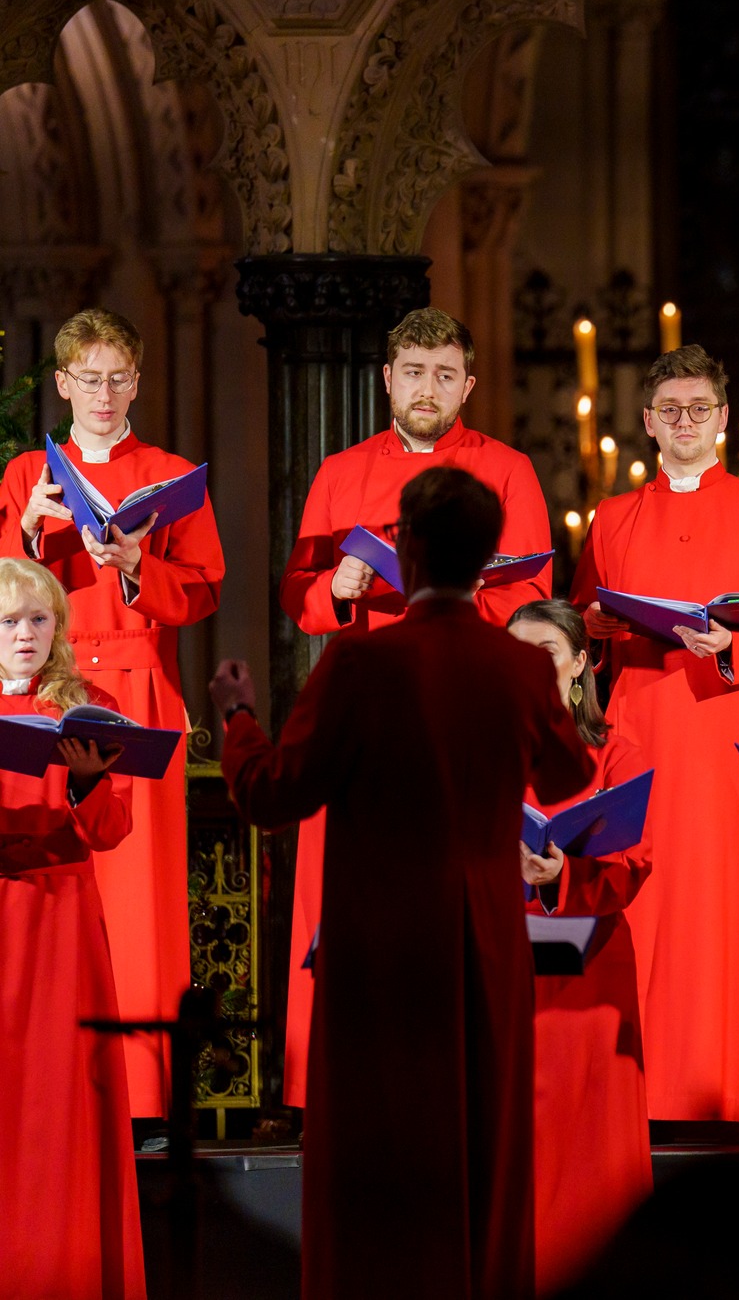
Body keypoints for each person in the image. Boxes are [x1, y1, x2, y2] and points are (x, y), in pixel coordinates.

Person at [216, 467, 592, 1300]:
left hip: (379, 943)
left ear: (406, 548)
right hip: (484, 940)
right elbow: (570, 775)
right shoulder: (520, 667)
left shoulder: (361, 657)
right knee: (478, 1140)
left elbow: (273, 793)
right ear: (489, 555)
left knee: (377, 1145)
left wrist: (238, 718)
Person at [277, 307, 553, 1108]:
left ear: (466, 383)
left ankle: (462, 1067)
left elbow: (531, 592)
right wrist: (336, 586)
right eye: (412, 371)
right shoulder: (340, 471)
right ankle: (334, 1077)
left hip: (462, 703)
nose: (426, 388)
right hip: (369, 701)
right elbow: (299, 591)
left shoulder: (505, 468)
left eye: (443, 374)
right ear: (386, 378)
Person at [571, 344, 739, 1126]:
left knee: (734, 897)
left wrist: (733, 646)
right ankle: (645, 1086)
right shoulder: (613, 517)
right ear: (647, 422)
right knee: (648, 894)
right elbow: (580, 620)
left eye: (698, 409)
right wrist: (598, 622)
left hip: (731, 722)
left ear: (724, 419)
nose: (684, 423)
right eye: (670, 410)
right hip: (642, 721)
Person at [0, 308, 223, 1120]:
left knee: (141, 901)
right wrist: (26, 534)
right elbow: (5, 597)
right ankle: (43, 1084)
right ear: (62, 383)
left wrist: (136, 565)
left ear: (138, 380)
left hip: (135, 683)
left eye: (118, 377)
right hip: (45, 691)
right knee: (47, 890)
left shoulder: (166, 471)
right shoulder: (28, 474)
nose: (104, 393)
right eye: (88, 378)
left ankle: (141, 1102)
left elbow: (202, 590)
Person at [0, 557, 144, 1297]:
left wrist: (87, 780)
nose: (25, 634)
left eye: (37, 619)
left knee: (56, 1105)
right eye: (8, 621)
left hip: (57, 920)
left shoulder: (85, 704)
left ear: (57, 626)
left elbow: (113, 827)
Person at [508, 600, 654, 1294]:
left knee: (586, 1155)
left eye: (543, 651)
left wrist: (564, 874)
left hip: (587, 975)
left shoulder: (616, 752)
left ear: (578, 666)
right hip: (500, 968)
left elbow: (635, 861)